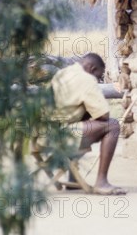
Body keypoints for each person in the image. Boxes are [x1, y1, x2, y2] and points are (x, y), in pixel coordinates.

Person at [51, 52, 126, 195]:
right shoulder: (86, 79)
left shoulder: (62, 73)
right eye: (98, 76)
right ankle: (101, 182)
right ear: (92, 69)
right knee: (113, 125)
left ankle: (74, 180)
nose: (97, 80)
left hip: (48, 134)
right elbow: (104, 115)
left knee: (83, 120)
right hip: (64, 136)